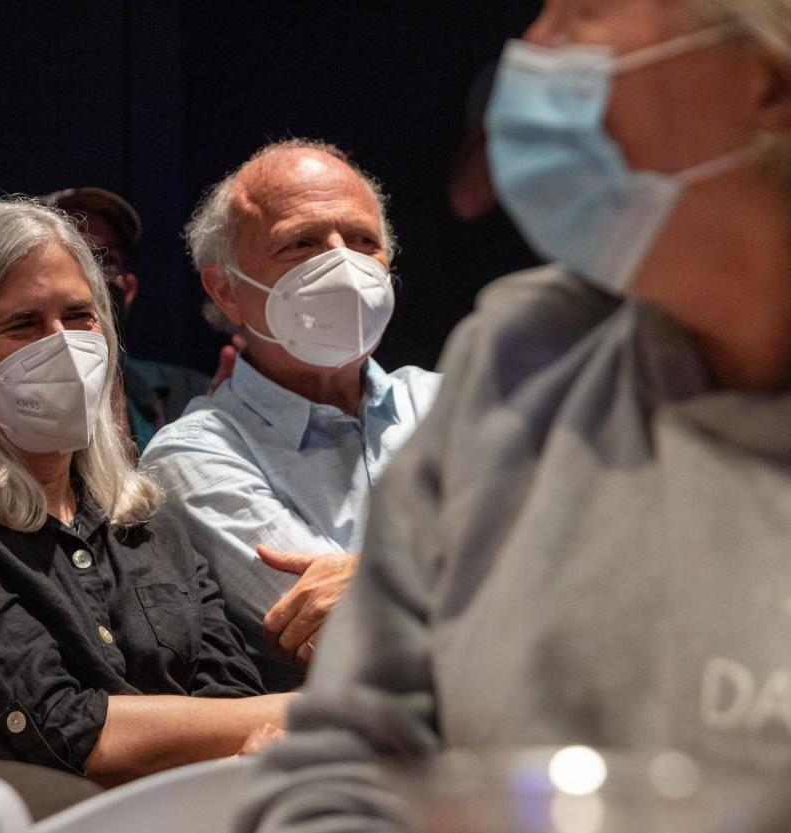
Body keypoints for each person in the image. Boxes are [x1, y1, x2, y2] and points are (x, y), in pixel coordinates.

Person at [236, 0, 791, 829]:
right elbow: (343, 763)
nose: (528, 52)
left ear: (770, 83)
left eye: (584, 12)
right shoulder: (518, 361)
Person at [0, 199, 292, 787]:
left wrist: (253, 737)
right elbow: (63, 729)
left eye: (79, 315)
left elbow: (233, 694)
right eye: (23, 323)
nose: (63, 344)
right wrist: (300, 713)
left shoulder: (144, 513)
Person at [140, 140, 441, 691]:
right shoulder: (195, 453)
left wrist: (376, 575)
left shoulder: (451, 399)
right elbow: (367, 641)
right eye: (302, 244)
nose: (343, 265)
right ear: (225, 290)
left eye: (363, 241)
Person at [44, 186, 210, 452]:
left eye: (105, 260)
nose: (91, 275)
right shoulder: (17, 399)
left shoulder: (188, 394)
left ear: (129, 288)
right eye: (73, 255)